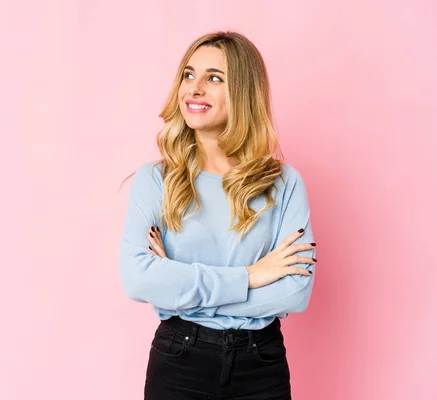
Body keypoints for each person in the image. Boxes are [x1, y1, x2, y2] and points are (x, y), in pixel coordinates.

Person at [118, 31, 317, 400]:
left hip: (262, 363)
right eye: (189, 75)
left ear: (242, 92)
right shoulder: (155, 180)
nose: (194, 89)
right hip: (180, 359)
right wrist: (252, 276)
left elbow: (294, 292)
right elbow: (138, 280)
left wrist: (176, 293)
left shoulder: (284, 183)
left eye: (213, 78)